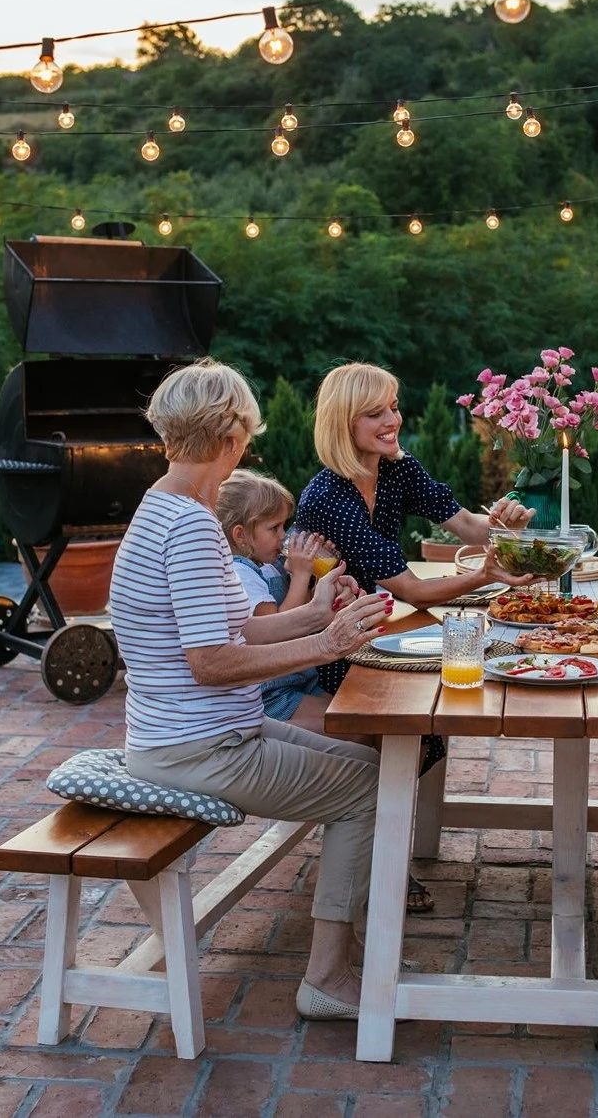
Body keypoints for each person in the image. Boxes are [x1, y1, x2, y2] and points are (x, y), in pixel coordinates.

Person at [111, 359, 393, 1021]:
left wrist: (318, 610)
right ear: (235, 433)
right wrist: (325, 646)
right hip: (200, 747)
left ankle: (343, 956)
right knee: (373, 791)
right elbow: (210, 661)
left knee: (374, 767)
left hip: (191, 735)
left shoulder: (169, 507)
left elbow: (236, 624)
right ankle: (327, 975)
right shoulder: (188, 524)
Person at [294, 361, 537, 912]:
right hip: (337, 649)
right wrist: (483, 575)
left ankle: (380, 843)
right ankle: (374, 856)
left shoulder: (397, 469)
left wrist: (504, 522)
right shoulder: (327, 497)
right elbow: (411, 589)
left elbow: (467, 526)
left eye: (394, 406)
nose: (392, 420)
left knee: (432, 723)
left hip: (377, 632)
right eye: (375, 412)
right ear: (342, 422)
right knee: (420, 728)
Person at [216, 468, 336, 721]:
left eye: (284, 525)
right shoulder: (241, 572)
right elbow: (279, 628)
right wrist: (301, 576)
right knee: (348, 727)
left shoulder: (269, 565)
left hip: (300, 679)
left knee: (350, 713)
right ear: (241, 535)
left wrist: (312, 578)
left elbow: (303, 617)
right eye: (274, 528)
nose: (283, 536)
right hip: (272, 694)